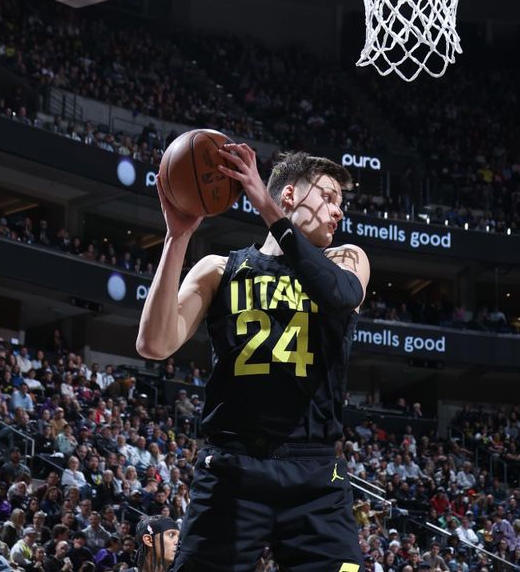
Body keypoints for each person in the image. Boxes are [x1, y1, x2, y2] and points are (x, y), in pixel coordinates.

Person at [137, 149, 370, 571]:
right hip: (233, 470)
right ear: (290, 195)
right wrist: (178, 238)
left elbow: (340, 297)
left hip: (315, 474)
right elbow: (154, 344)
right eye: (330, 196)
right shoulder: (218, 269)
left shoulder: (346, 260)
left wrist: (265, 208)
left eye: (341, 203)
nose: (338, 212)